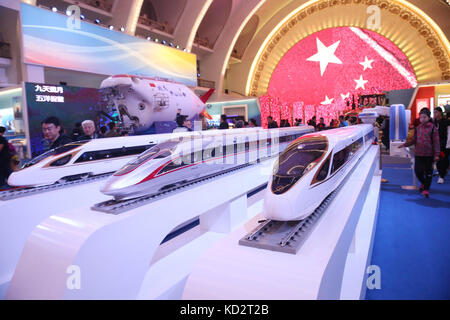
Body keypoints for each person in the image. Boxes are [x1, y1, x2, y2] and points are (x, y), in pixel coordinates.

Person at [399, 108, 440, 198]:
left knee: (428, 173)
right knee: (418, 171)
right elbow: (414, 140)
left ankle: (426, 189)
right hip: (418, 154)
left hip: (429, 155)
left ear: (429, 118)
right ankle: (424, 183)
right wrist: (405, 144)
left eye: (424, 117)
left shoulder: (433, 129)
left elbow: (436, 143)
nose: (422, 119)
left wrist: (437, 155)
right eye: (421, 117)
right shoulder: (418, 128)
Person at [433, 107, 449, 183]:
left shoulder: (446, 122)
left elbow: (449, 134)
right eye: (434, 112)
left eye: (436, 112)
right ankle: (441, 173)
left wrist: (448, 144)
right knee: (438, 159)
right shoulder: (433, 122)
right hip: (436, 143)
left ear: (440, 112)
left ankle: (442, 175)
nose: (434, 114)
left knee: (443, 159)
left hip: (445, 143)